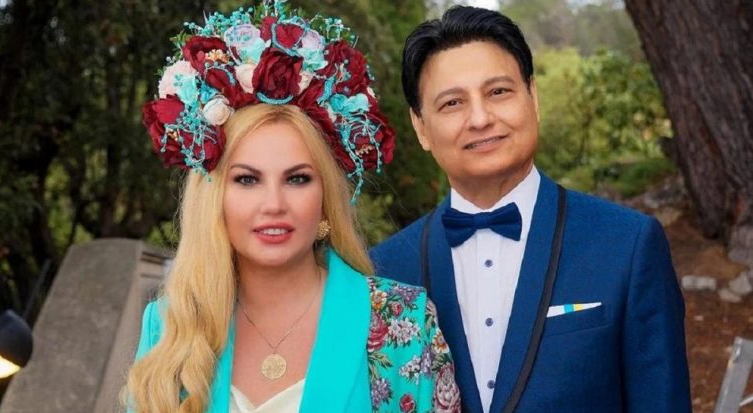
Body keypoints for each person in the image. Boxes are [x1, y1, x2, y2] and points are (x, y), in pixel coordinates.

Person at [125, 2, 461, 412]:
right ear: (213, 199)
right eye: (247, 179)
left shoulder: (402, 322)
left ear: (325, 200)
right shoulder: (168, 327)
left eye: (297, 179)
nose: (274, 204)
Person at [371, 5, 691, 413]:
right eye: (452, 103)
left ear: (533, 97)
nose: (480, 118)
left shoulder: (627, 244)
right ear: (421, 127)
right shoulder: (384, 272)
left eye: (498, 92)